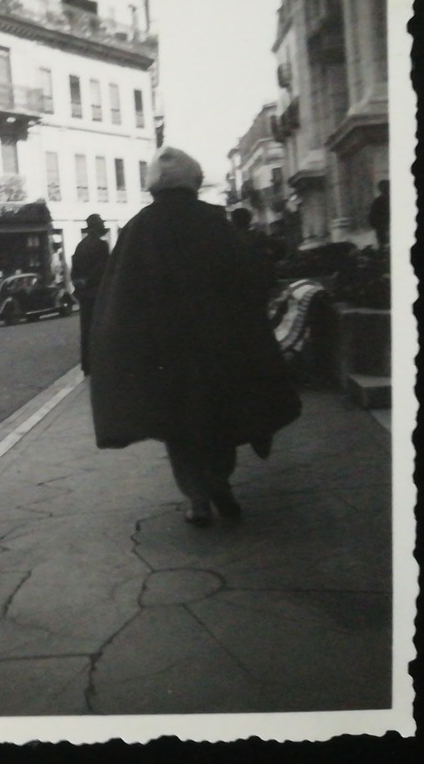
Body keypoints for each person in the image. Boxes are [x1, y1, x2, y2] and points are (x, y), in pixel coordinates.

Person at [89, 146, 301, 526]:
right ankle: (220, 481)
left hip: (166, 352)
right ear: (194, 182)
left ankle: (198, 499)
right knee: (219, 417)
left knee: (179, 427)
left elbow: (120, 297)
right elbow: (250, 280)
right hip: (219, 345)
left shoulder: (139, 229)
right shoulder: (215, 223)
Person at [71, 214, 110, 375]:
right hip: (97, 292)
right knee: (100, 328)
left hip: (84, 293)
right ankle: (100, 363)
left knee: (86, 328)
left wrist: (79, 282)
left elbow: (74, 270)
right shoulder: (102, 245)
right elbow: (104, 269)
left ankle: (87, 364)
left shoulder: (80, 246)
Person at [369, 178, 390, 249]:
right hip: (383, 229)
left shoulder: (378, 201)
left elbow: (372, 217)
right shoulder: (379, 201)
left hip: (382, 229)